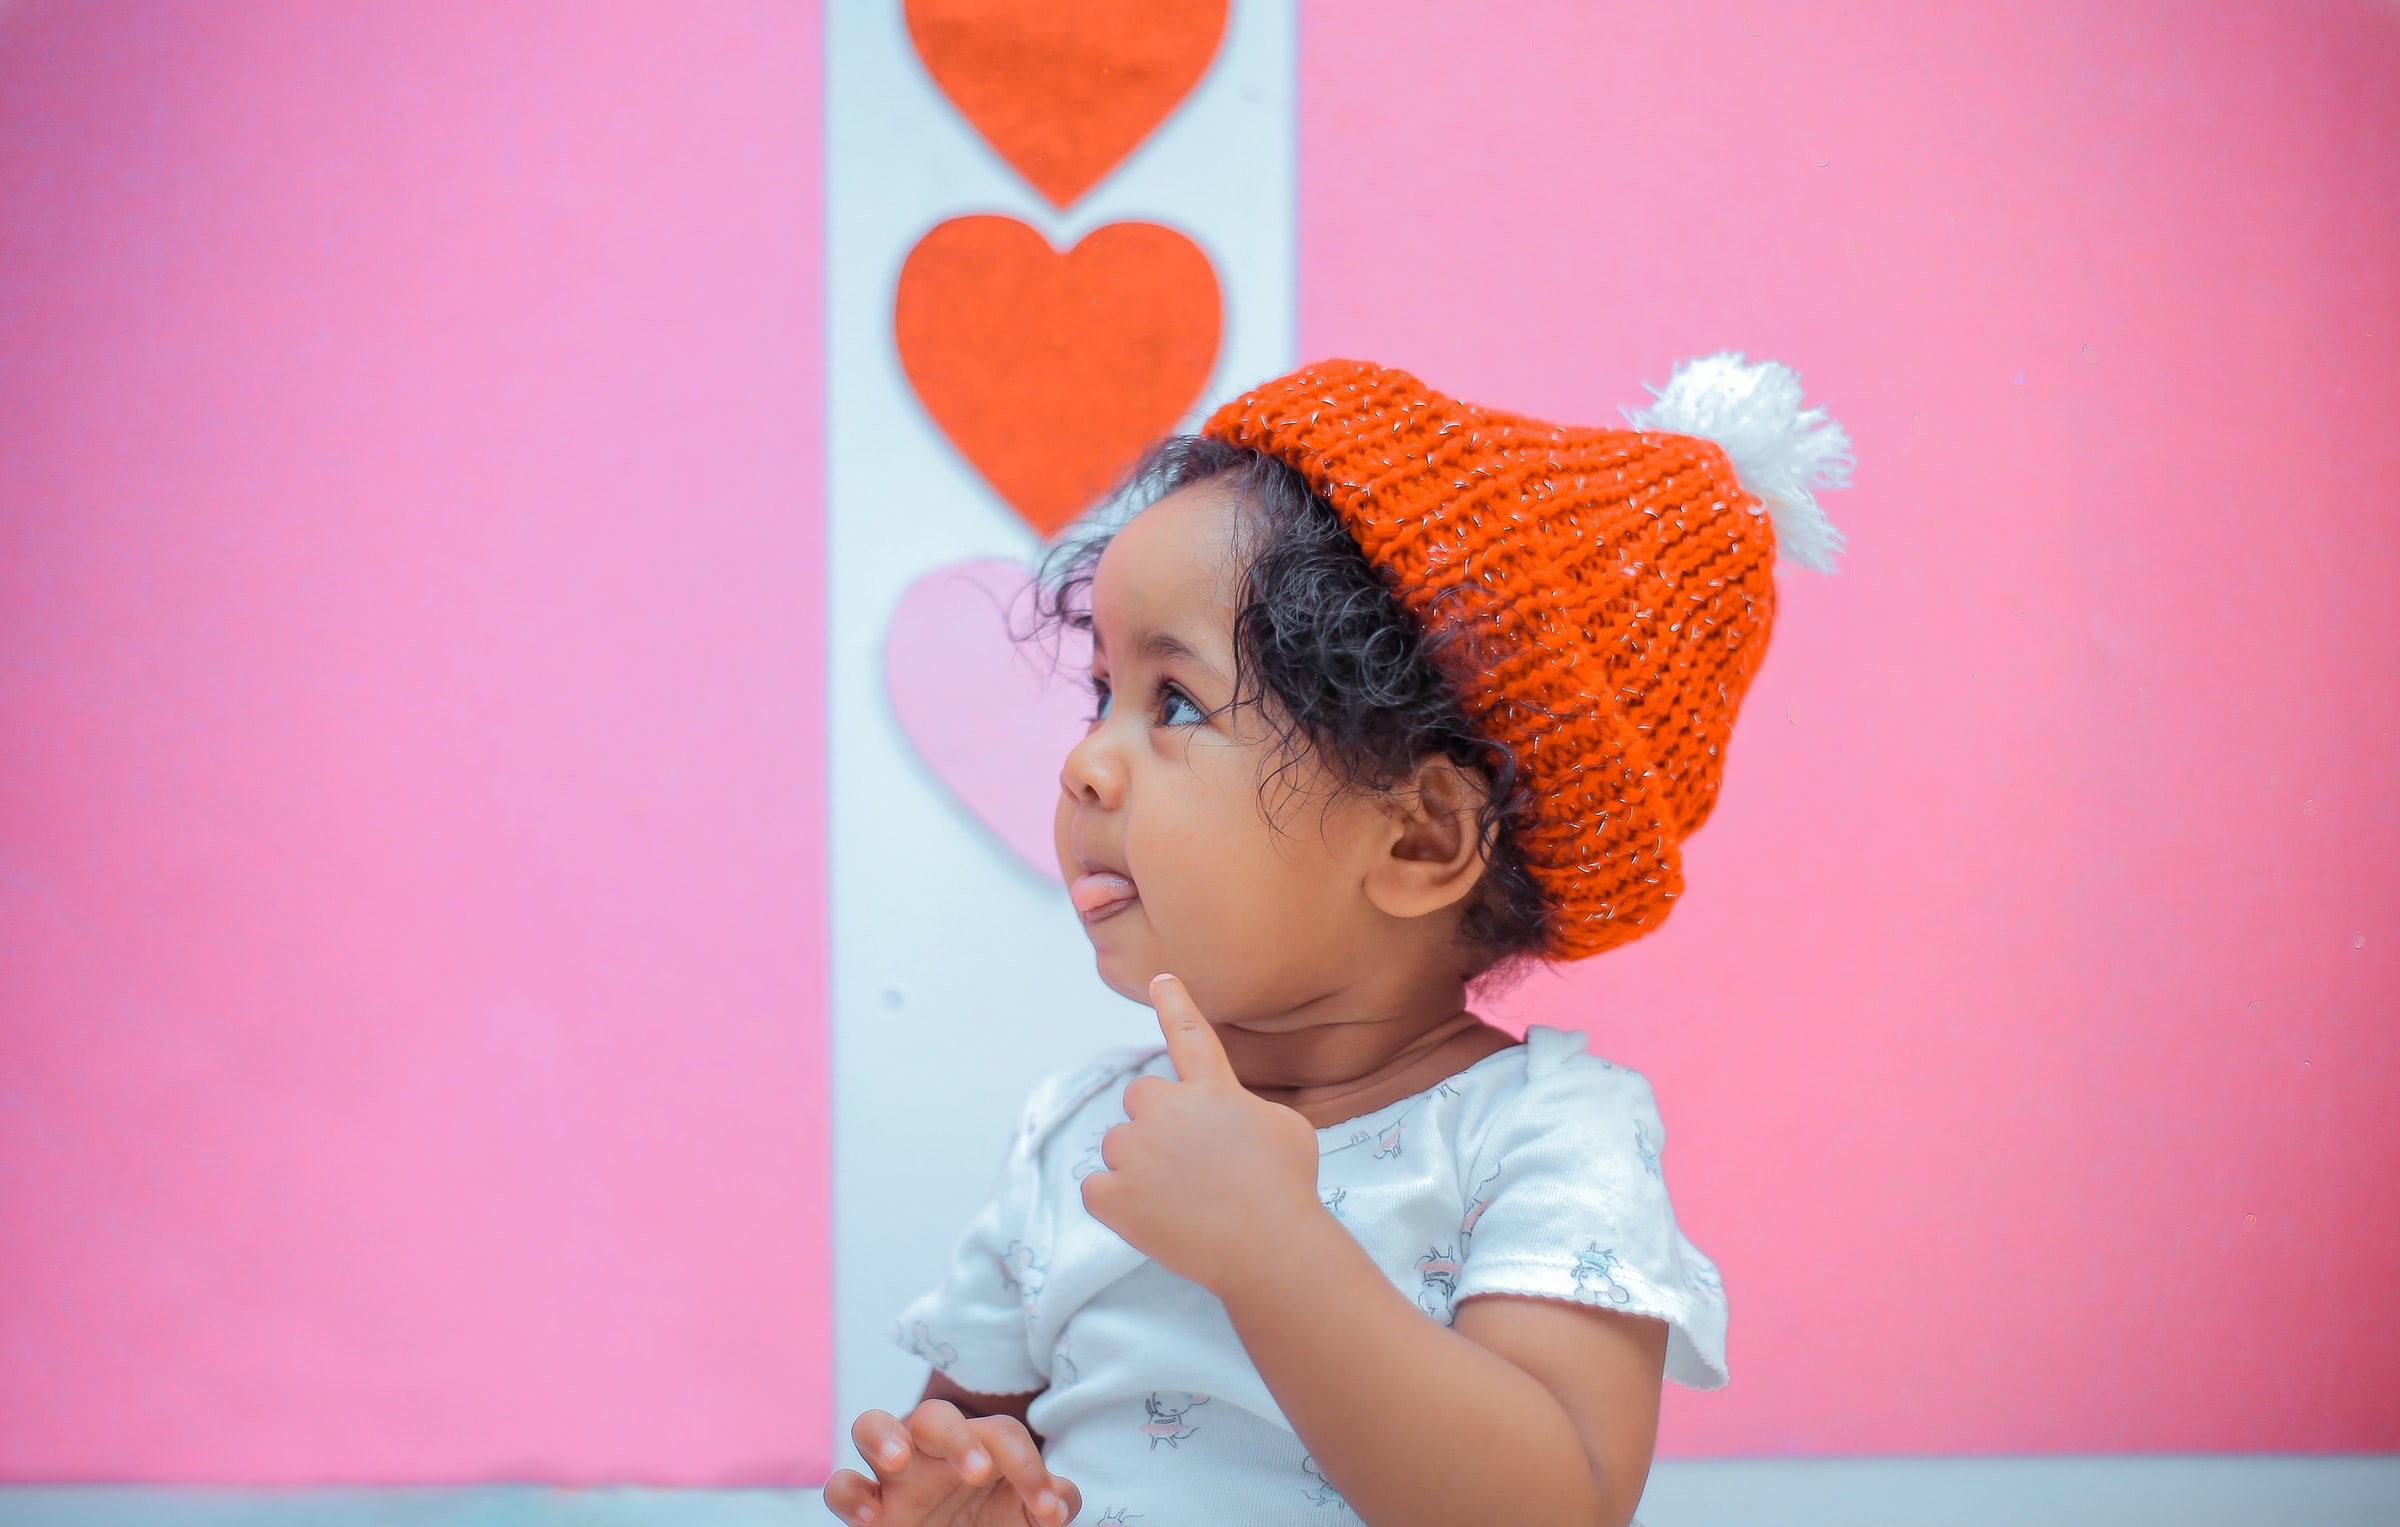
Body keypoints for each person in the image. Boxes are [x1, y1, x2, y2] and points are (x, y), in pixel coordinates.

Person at [826, 355, 1852, 1527]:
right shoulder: (1080, 1139)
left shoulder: (1542, 1144)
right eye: (1099, 692)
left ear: (1418, 840)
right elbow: (982, 1430)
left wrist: (1274, 1249)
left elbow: (1551, 1506)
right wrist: (955, 1489)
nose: (1083, 763)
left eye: (1172, 704)